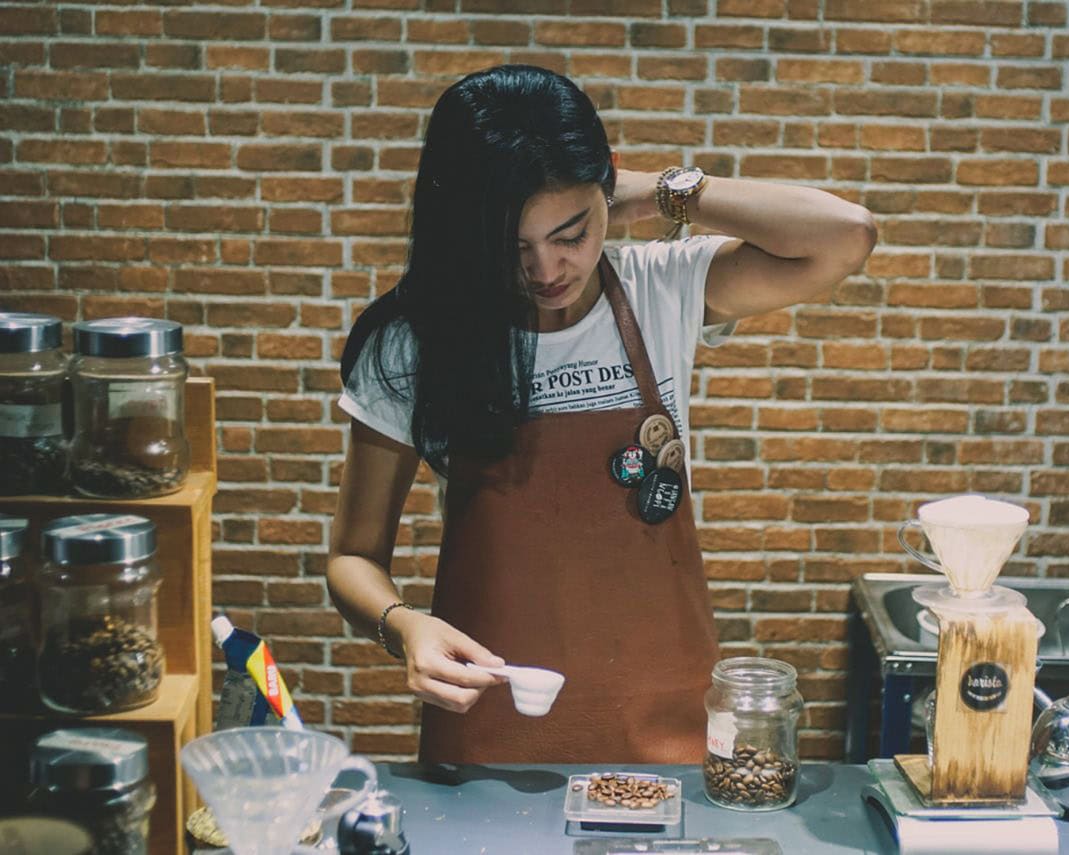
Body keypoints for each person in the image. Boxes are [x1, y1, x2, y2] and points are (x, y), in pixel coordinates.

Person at [327, 64, 877, 764]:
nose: (547, 269)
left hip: (664, 720)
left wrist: (653, 190)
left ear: (606, 198)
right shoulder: (416, 341)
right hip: (493, 718)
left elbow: (845, 236)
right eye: (512, 247)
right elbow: (352, 557)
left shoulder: (659, 289)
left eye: (571, 233)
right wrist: (404, 625)